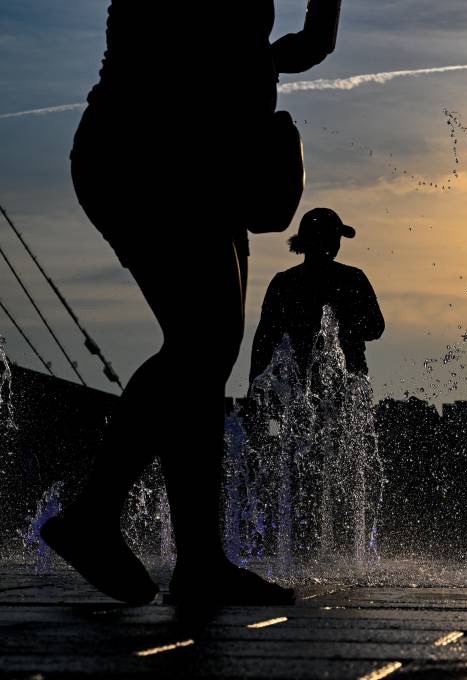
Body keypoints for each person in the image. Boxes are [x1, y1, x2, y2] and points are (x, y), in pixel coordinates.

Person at [41, 1, 342, 606]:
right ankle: (95, 514)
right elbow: (201, 49)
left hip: (207, 158)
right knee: (202, 341)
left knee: (206, 355)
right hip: (149, 151)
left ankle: (199, 559)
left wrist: (262, 64)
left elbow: (309, 44)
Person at [249, 208, 384, 383]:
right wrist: (347, 326)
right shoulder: (353, 278)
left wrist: (253, 385)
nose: (337, 243)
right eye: (334, 236)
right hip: (343, 385)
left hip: (298, 388)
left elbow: (264, 341)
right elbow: (376, 327)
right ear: (327, 240)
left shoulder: (284, 282)